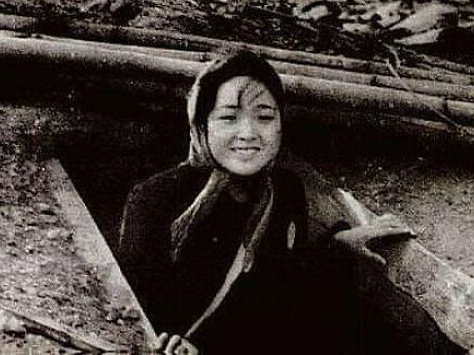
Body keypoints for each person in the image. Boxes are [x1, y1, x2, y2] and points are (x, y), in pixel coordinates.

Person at [119, 50, 412, 355]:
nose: (248, 133)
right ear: (202, 127)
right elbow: (134, 306)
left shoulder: (284, 190)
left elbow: (282, 281)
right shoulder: (154, 199)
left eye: (264, 117)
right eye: (228, 118)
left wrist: (337, 243)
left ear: (280, 124)